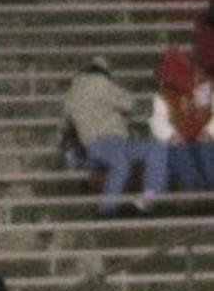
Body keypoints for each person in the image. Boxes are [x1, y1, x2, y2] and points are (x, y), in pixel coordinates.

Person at [62, 55, 167, 217]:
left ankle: (110, 208)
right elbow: (129, 102)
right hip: (108, 141)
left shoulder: (71, 93)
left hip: (93, 145)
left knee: (134, 156)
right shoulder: (101, 83)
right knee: (149, 151)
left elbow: (65, 124)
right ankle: (136, 202)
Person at [151, 46, 214, 192]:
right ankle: (195, 190)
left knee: (206, 151)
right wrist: (171, 135)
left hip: (207, 142)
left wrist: (209, 132)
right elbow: (158, 121)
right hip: (182, 144)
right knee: (179, 152)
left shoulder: (204, 87)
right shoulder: (164, 96)